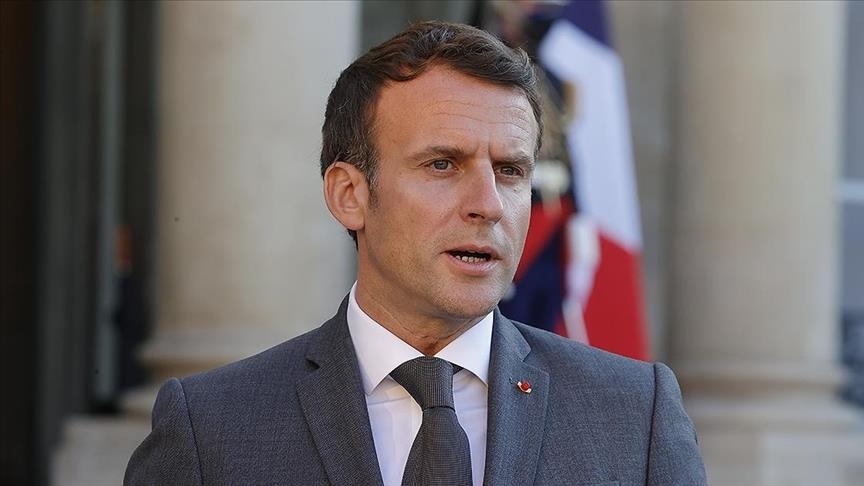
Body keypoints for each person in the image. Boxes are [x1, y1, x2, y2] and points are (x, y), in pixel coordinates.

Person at [125, 21, 706, 486]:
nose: (488, 205)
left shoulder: (634, 415)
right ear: (350, 195)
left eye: (510, 171)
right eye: (443, 164)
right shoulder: (211, 428)